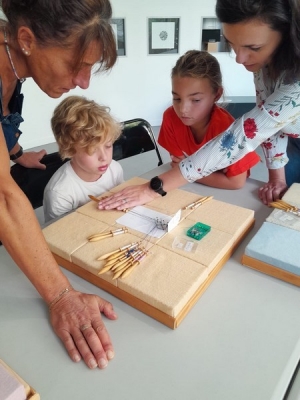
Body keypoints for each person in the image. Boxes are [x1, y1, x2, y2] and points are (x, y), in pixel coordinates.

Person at [0, 0, 119, 369]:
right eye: (77, 64)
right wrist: (62, 296)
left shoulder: (11, 60)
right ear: (26, 39)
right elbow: (3, 197)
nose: (83, 82)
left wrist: (15, 153)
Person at [97, 0, 300, 211]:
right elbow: (271, 123)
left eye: (253, 47)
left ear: (288, 33)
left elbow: (244, 135)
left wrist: (154, 188)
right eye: (232, 44)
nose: (239, 59)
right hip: (291, 140)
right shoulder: (265, 61)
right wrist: (276, 177)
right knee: (283, 210)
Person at [158, 50, 260, 190]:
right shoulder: (170, 117)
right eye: (177, 98)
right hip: (190, 189)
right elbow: (178, 165)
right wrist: (213, 175)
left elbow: (236, 182)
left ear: (217, 94)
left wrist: (188, 169)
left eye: (196, 100)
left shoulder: (228, 130)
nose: (183, 109)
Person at [43, 96, 124, 222]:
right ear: (69, 149)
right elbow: (60, 234)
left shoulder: (114, 169)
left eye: (108, 146)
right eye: (92, 150)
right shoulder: (60, 193)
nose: (104, 157)